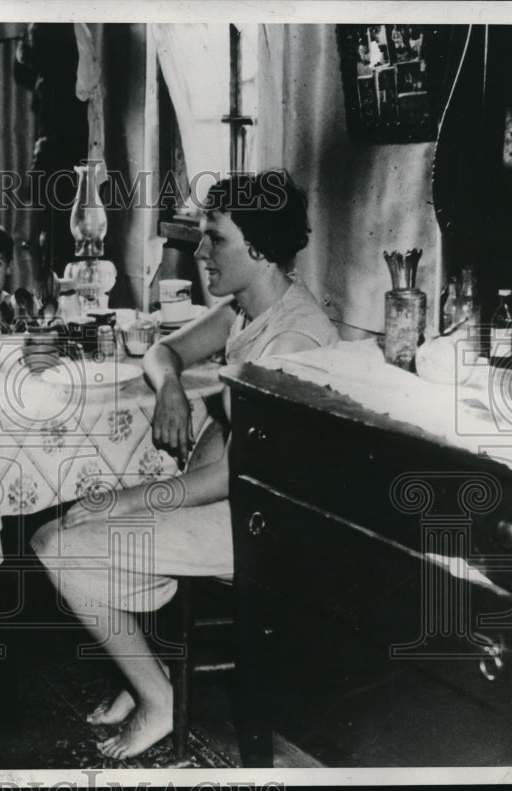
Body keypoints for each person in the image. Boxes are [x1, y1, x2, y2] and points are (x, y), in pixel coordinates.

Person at [30, 170, 339, 759]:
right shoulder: (246, 312)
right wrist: (170, 386)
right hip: (234, 506)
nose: (200, 252)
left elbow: (234, 474)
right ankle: (140, 672)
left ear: (259, 247)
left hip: (266, 529)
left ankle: (157, 698)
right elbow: (163, 349)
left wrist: (126, 500)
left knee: (57, 542)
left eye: (214, 239)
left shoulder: (293, 342)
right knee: (68, 527)